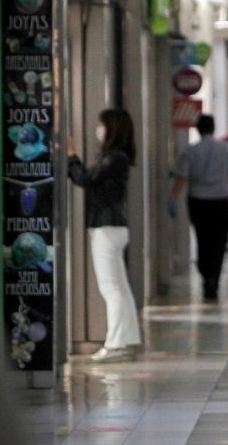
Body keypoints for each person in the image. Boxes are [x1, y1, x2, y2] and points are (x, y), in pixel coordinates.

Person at [67, 108, 142, 362]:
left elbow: (84, 178)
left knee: (111, 289)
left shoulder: (113, 158)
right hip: (113, 228)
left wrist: (71, 157)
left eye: (102, 125)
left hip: (106, 229)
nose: (98, 130)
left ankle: (114, 344)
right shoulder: (117, 157)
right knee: (119, 287)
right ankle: (127, 338)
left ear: (111, 129)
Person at [168, 115, 228, 301]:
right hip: (220, 202)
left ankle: (206, 275)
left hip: (198, 202)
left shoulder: (190, 151)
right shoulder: (226, 148)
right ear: (213, 129)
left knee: (203, 239)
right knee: (219, 242)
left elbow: (182, 177)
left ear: (197, 129)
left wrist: (172, 198)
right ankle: (214, 279)